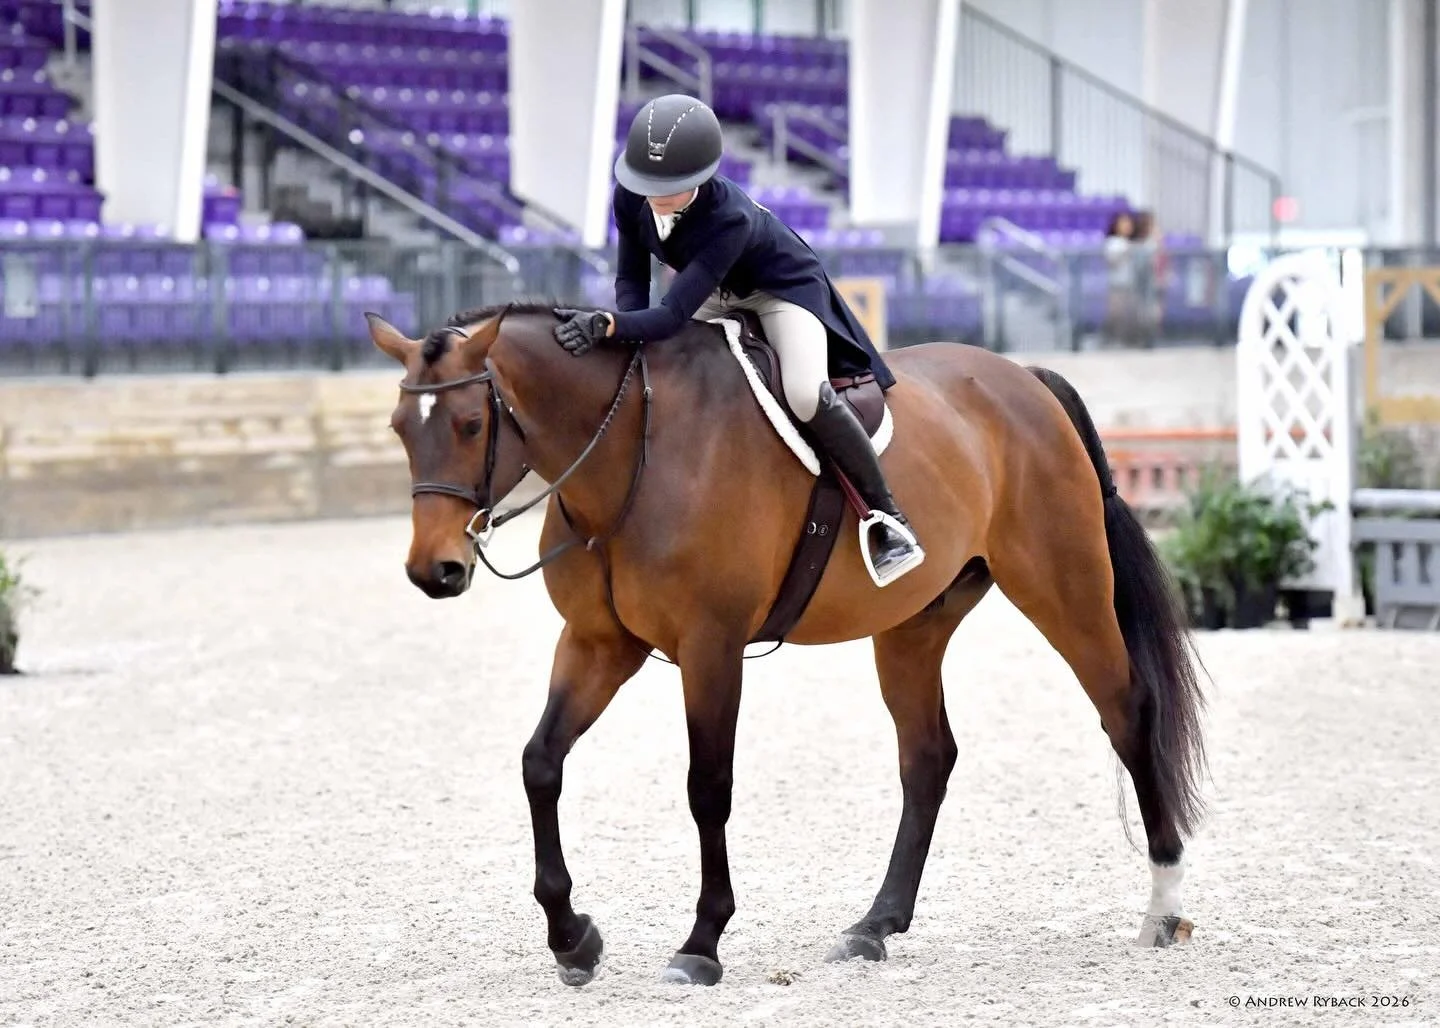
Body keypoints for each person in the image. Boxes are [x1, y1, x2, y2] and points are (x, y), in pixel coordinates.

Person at [552, 93, 924, 587]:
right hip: (711, 290)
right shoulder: (629, 195)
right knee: (658, 370)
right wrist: (624, 326)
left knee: (804, 394)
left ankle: (889, 519)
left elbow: (670, 315)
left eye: (671, 187)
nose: (655, 196)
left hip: (778, 292)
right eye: (648, 184)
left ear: (701, 177)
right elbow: (631, 278)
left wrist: (611, 325)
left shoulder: (730, 217)